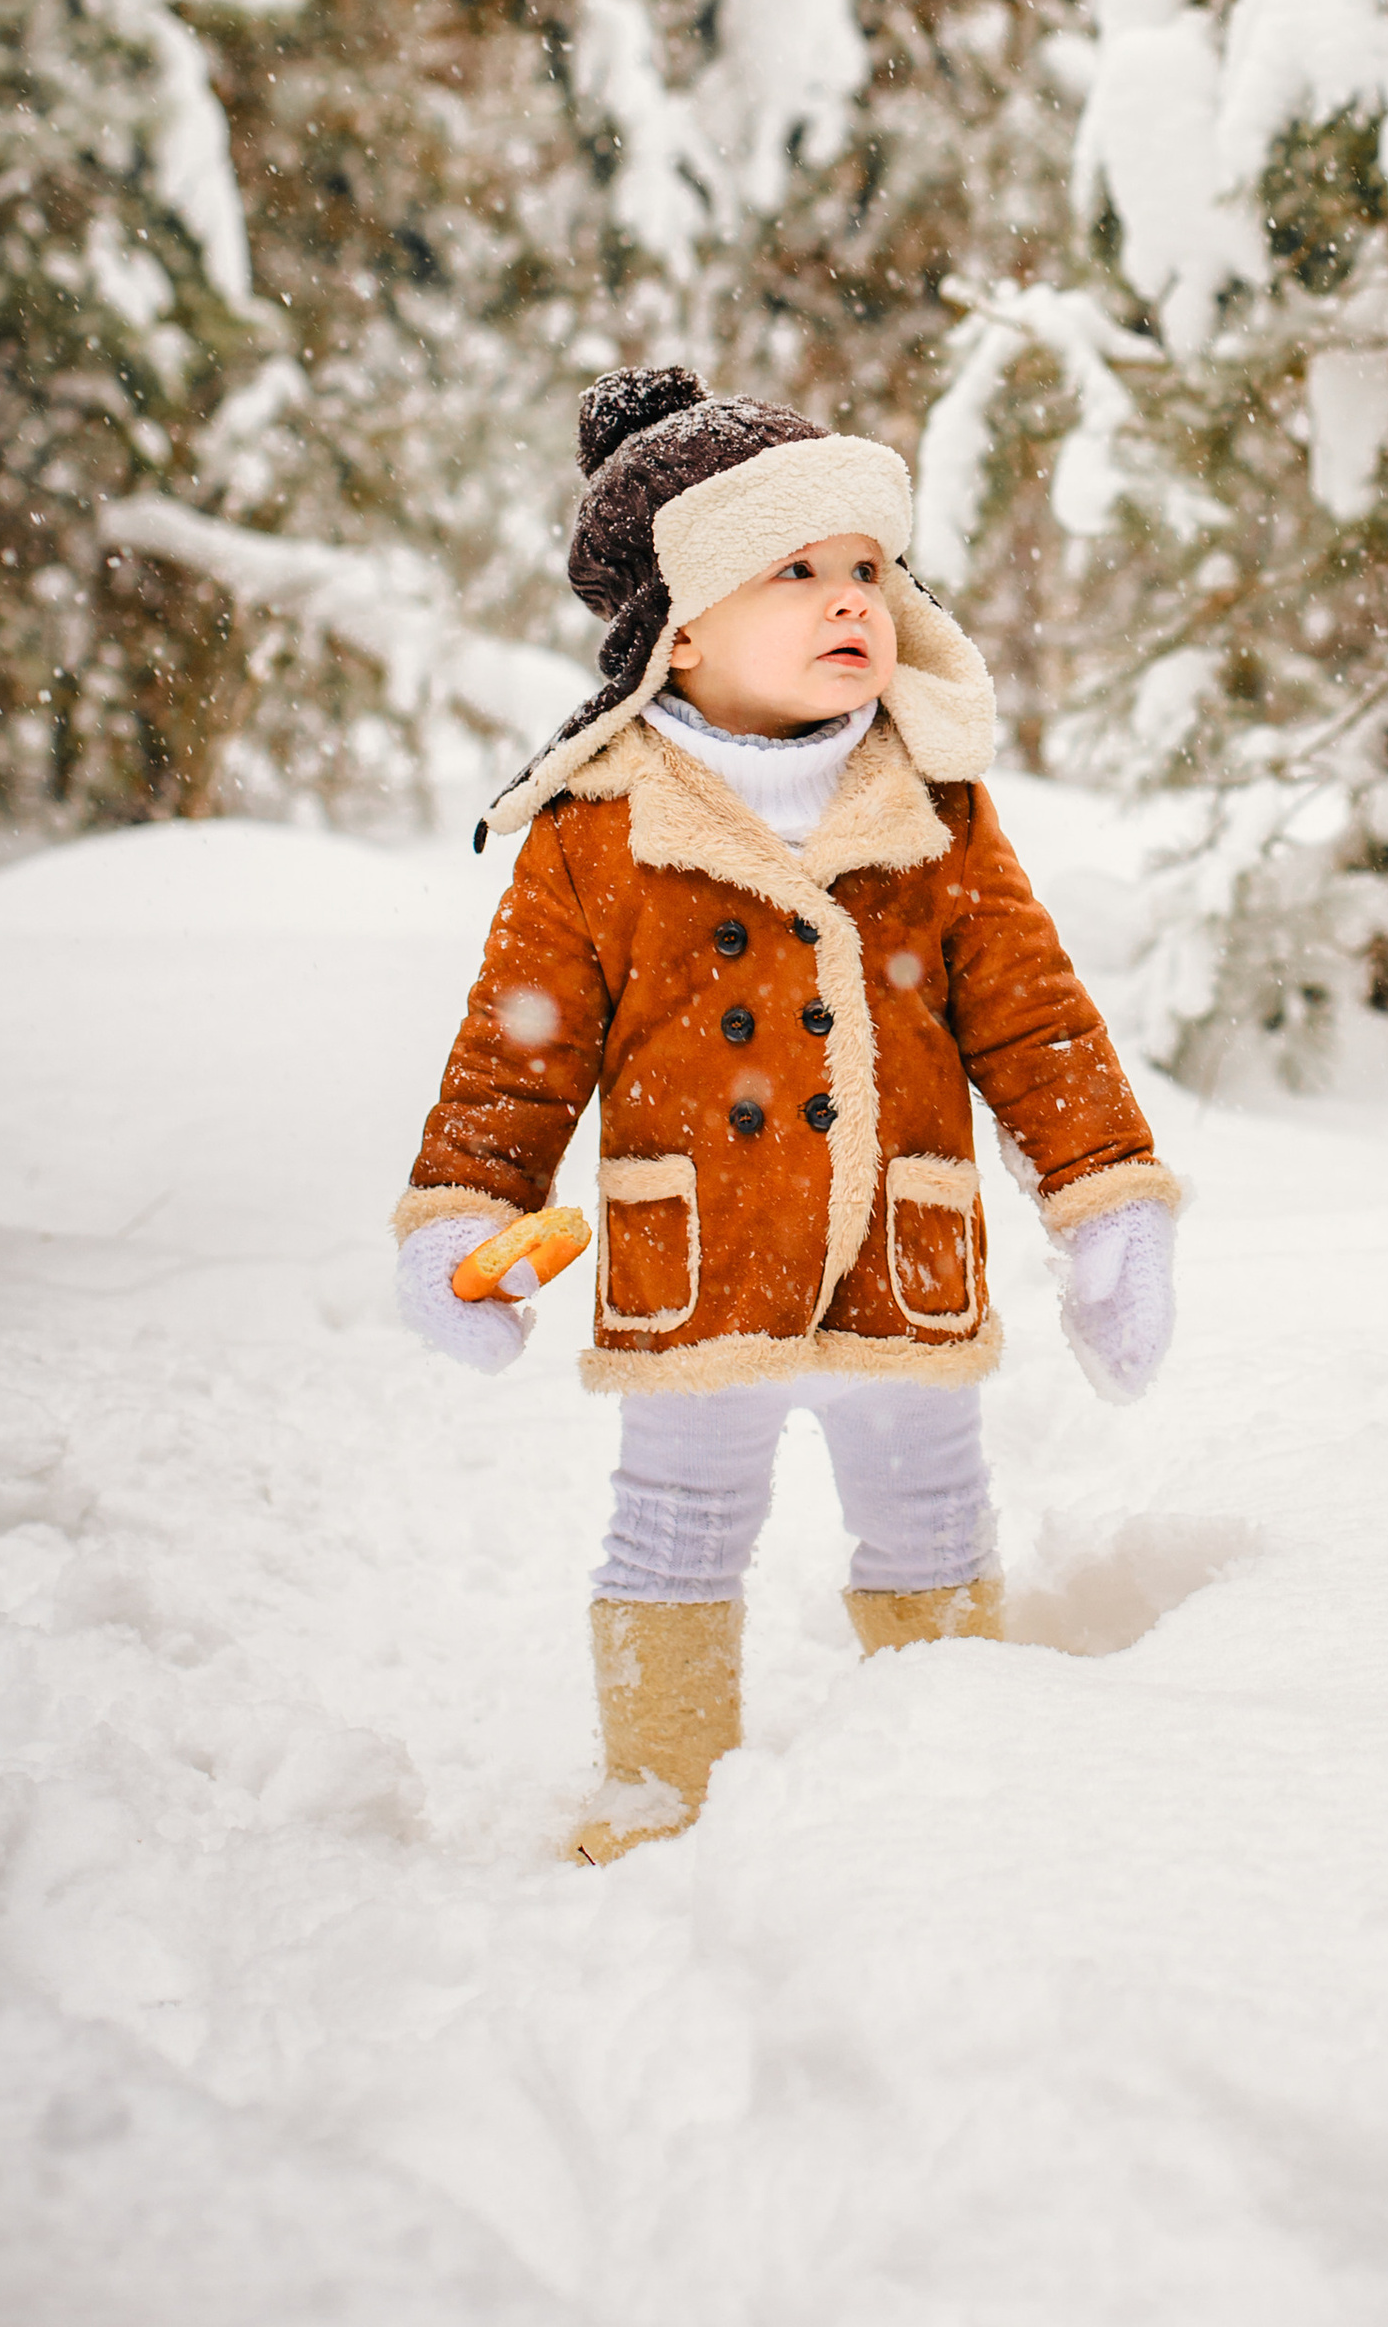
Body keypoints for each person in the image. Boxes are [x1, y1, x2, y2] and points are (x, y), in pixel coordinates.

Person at [393, 366, 1180, 1863]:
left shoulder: (933, 803)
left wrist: (1109, 1202)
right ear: (679, 628)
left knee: (934, 1515)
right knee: (677, 1529)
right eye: (796, 570)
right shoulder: (600, 824)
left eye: (869, 568)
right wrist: (466, 1212)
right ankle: (659, 1788)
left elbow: (1033, 1015)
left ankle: (951, 1773)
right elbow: (517, 1051)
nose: (851, 601)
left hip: (902, 1247)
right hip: (698, 1273)